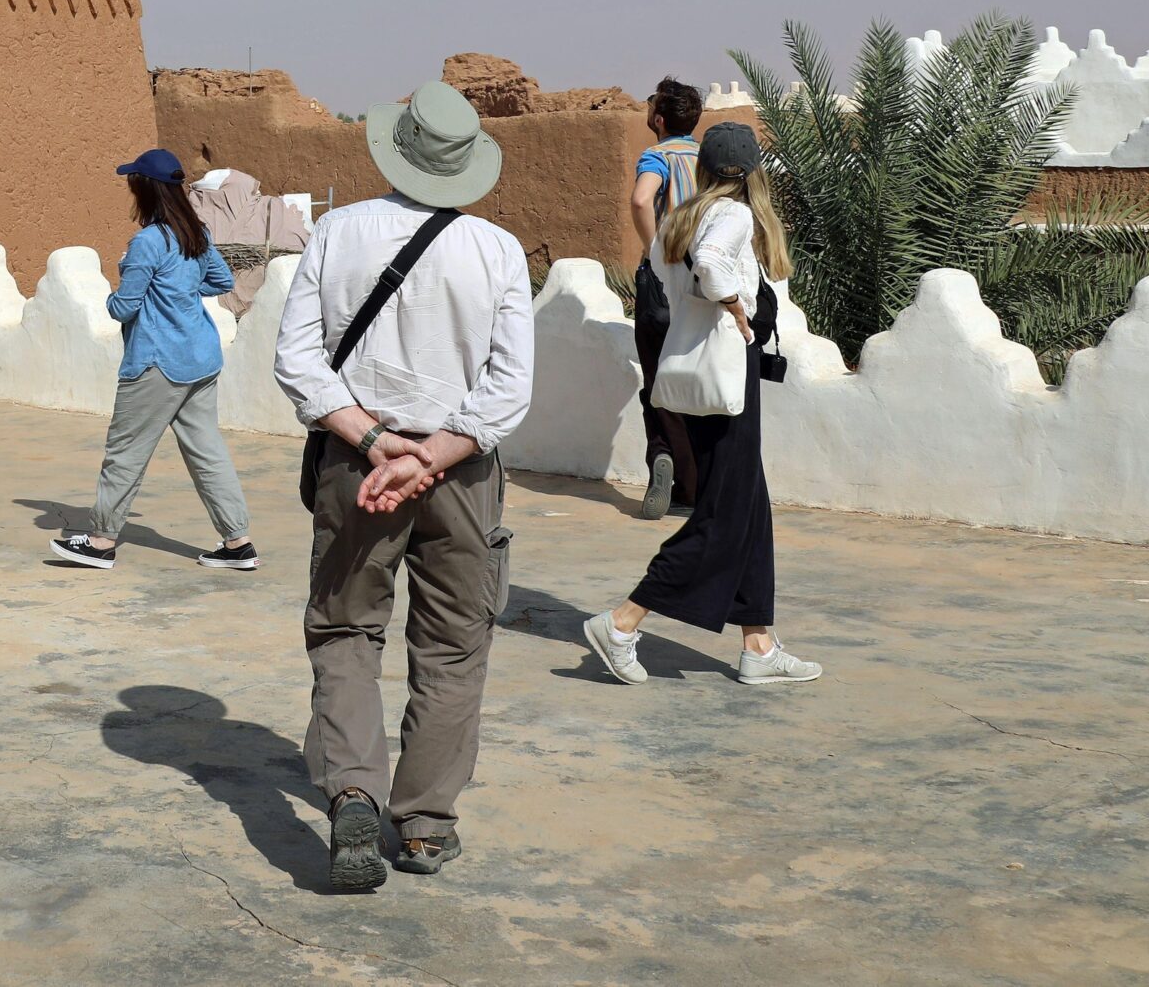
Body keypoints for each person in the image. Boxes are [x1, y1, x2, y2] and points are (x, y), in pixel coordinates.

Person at [274, 82, 531, 891]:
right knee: (454, 644)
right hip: (462, 474)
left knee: (348, 627)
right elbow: (508, 388)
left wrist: (379, 444)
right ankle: (423, 826)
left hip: (358, 465)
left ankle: (354, 789)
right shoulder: (496, 250)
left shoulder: (336, 232)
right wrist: (430, 456)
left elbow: (298, 360)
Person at [585, 123, 822, 688]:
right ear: (754, 175)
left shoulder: (677, 222)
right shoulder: (734, 216)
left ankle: (758, 644)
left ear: (707, 170)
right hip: (728, 378)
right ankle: (623, 622)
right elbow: (714, 265)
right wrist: (739, 311)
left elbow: (680, 284)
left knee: (748, 507)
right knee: (722, 514)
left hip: (697, 379)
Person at [48, 149, 255, 572]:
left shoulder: (146, 242)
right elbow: (220, 280)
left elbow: (122, 308)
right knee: (207, 451)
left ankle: (102, 541)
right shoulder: (194, 233)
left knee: (125, 452)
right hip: (201, 358)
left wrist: (126, 279)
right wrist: (180, 293)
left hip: (157, 363)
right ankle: (238, 544)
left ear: (144, 189)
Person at [630, 78, 707, 518]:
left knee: (657, 382)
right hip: (703, 283)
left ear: (659, 119)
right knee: (695, 380)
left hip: (661, 283)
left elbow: (641, 201)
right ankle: (695, 487)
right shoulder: (708, 160)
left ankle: (663, 458)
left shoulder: (656, 157)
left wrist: (653, 252)